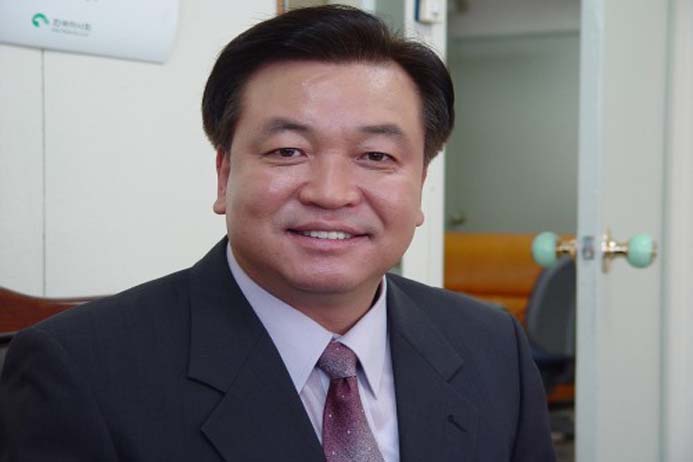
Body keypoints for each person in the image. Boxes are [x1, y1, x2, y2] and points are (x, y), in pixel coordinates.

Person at [0, 5, 555, 461]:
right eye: (288, 151)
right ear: (224, 175)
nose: (331, 193)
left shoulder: (492, 347)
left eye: (376, 156)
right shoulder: (79, 370)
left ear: (420, 186)